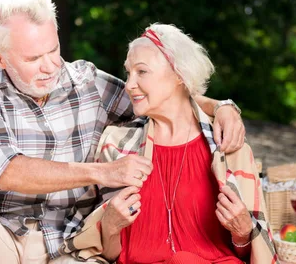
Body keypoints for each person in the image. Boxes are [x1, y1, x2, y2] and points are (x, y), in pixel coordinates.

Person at [0, 0, 247, 264]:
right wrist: (103, 172)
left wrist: (221, 106)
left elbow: (160, 96)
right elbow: (9, 172)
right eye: (32, 59)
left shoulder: (87, 82)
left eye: (53, 50)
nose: (50, 66)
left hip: (68, 247)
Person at [61, 23, 277, 264]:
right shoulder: (117, 144)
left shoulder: (227, 147)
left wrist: (242, 232)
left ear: (178, 75)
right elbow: (110, 254)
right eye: (128, 73)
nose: (129, 85)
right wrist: (109, 226)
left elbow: (255, 254)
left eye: (141, 72)